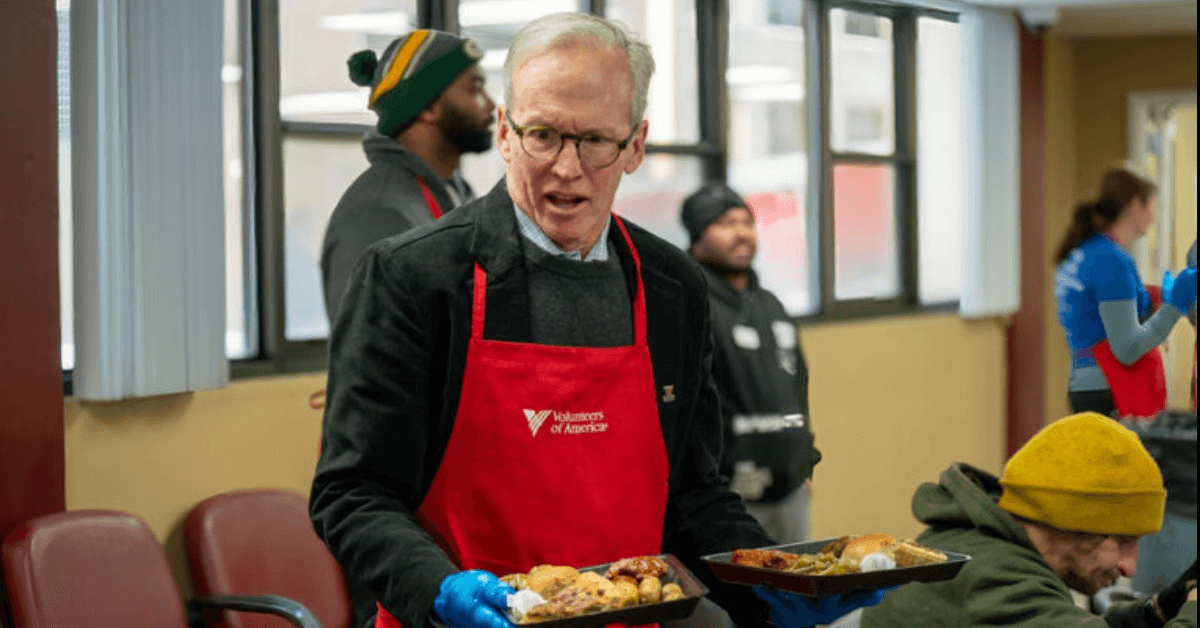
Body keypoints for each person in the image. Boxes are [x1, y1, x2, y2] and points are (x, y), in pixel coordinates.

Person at [310, 12, 884, 628]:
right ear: (504, 132)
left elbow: (691, 492)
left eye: (594, 142)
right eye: (543, 135)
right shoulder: (414, 278)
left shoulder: (672, 287)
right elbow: (353, 493)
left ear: (634, 145)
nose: (566, 167)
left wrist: (764, 586)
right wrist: (440, 592)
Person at [856, 412, 1197, 628]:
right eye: (1124, 542)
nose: (1130, 568)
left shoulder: (977, 544)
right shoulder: (993, 581)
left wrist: (1157, 612)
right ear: (1069, 525)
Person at [320, 29, 496, 322]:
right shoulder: (377, 213)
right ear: (428, 106)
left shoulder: (457, 195)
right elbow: (367, 357)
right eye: (474, 89)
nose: (489, 104)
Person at [679, 182, 819, 543]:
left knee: (794, 594)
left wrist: (806, 459)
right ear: (697, 236)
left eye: (747, 222)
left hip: (789, 492)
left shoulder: (771, 306)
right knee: (736, 598)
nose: (741, 233)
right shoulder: (689, 303)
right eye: (725, 223)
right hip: (728, 501)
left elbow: (797, 387)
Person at [1053, 165, 1198, 419]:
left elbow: (1094, 319)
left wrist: (1151, 302)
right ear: (1135, 206)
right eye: (1152, 206)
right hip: (1111, 391)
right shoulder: (1112, 261)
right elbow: (1128, 349)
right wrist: (1174, 306)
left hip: (1083, 386)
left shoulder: (1083, 253)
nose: (1154, 217)